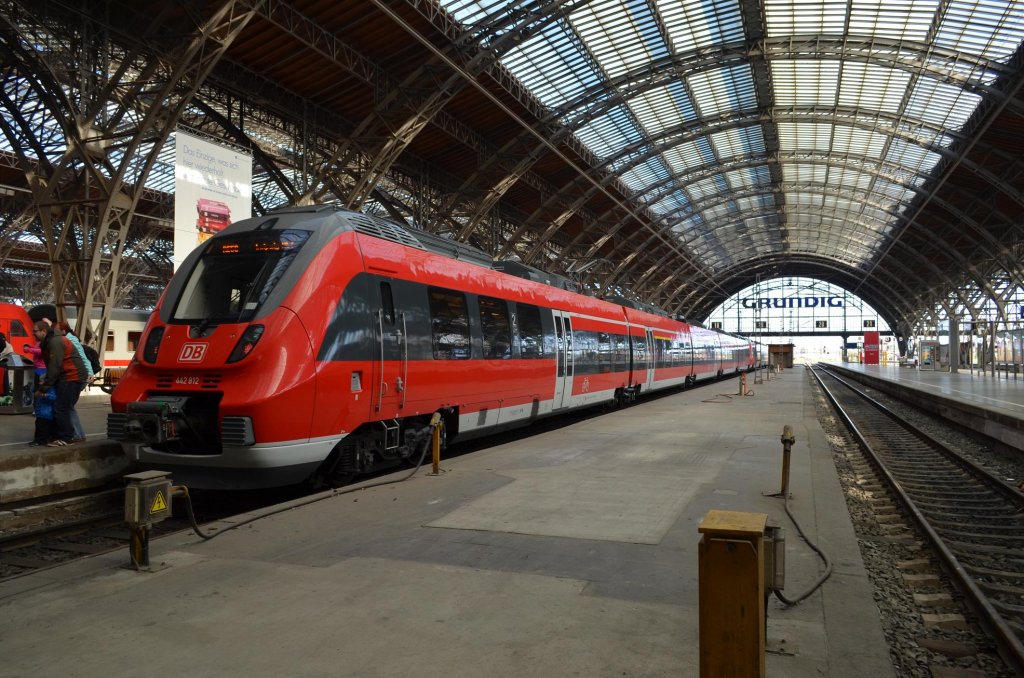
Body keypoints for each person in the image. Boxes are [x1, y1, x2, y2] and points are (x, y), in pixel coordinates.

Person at [32, 320, 87, 447]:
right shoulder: (48, 342)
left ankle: (67, 437)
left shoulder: (55, 342)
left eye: (35, 331)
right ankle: (72, 435)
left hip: (71, 377)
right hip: (67, 377)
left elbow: (54, 366)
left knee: (61, 408)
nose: (33, 334)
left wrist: (44, 388)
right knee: (65, 408)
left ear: (43, 331)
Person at [57, 321, 93, 443]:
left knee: (67, 406)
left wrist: (89, 373)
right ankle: (78, 434)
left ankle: (77, 434)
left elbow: (82, 357)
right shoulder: (69, 339)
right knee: (68, 406)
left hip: (80, 376)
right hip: (83, 375)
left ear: (63, 331)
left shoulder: (69, 340)